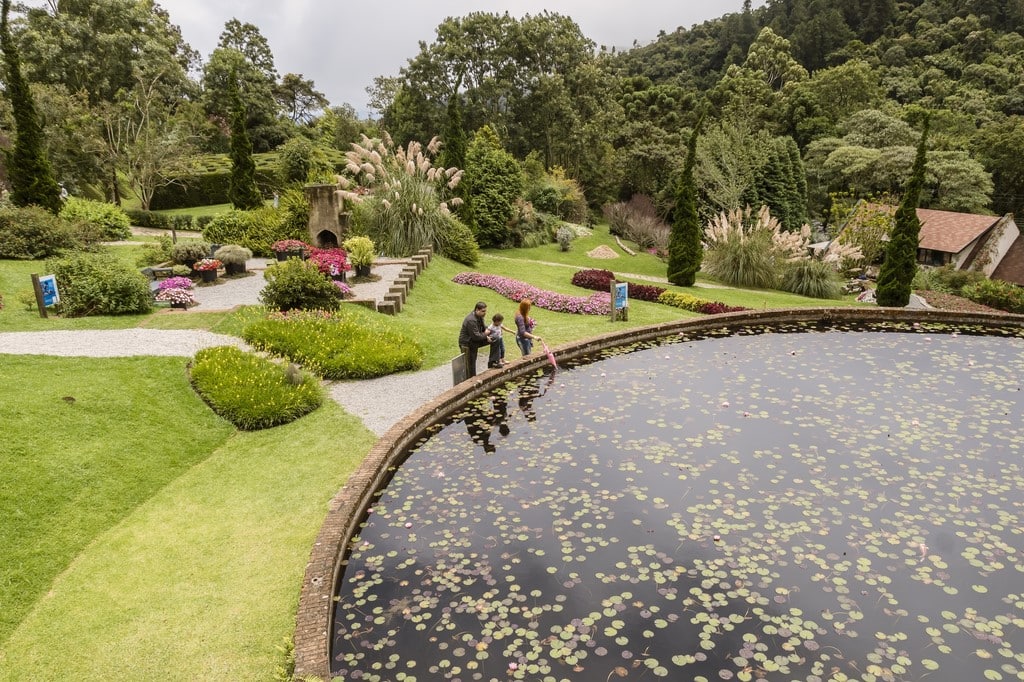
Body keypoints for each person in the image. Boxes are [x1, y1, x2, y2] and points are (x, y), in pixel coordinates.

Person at [458, 301, 490, 379]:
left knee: (495, 338)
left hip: (474, 341)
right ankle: (471, 380)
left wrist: (491, 330)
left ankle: (494, 361)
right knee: (470, 363)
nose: (484, 313)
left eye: (485, 311)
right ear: (477, 310)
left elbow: (483, 327)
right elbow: (476, 337)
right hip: (467, 344)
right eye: (483, 311)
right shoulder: (471, 320)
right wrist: (486, 334)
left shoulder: (479, 317)